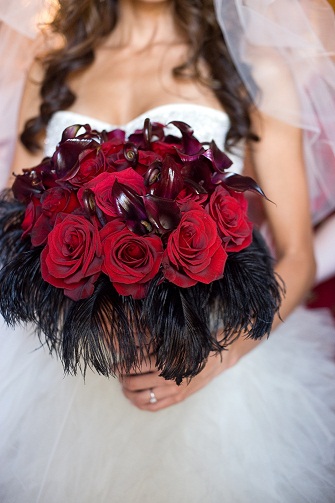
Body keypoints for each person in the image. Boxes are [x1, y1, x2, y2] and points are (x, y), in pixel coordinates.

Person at [0, 1, 334, 501]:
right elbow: (19, 225)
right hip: (67, 371)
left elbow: (297, 257)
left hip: (214, 365)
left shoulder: (250, 68)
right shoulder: (52, 64)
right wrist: (88, 317)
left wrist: (216, 358)